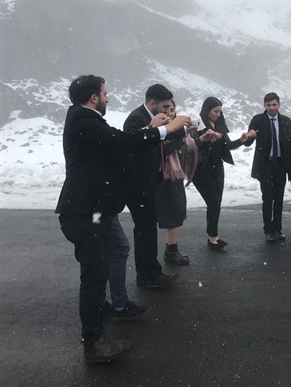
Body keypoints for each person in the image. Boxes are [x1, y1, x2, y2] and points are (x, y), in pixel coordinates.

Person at [56, 75, 190, 364]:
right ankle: (93, 341)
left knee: (118, 249)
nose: (108, 98)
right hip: (85, 211)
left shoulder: (88, 119)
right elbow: (121, 141)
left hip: (99, 208)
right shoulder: (83, 119)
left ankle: (116, 305)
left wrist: (153, 130)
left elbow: (119, 146)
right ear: (94, 98)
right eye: (104, 93)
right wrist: (165, 130)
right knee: (94, 274)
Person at [123, 84, 188, 289]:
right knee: (145, 230)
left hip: (151, 180)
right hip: (138, 183)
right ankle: (147, 275)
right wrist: (156, 128)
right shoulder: (136, 119)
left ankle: (151, 272)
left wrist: (181, 128)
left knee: (149, 228)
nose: (168, 110)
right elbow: (135, 144)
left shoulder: (157, 118)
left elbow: (166, 138)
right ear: (152, 104)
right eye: (165, 106)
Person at [192, 96, 250, 250]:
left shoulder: (219, 125)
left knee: (216, 203)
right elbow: (193, 147)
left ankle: (213, 237)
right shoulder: (199, 126)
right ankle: (212, 237)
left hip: (217, 168)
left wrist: (241, 140)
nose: (218, 114)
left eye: (219, 111)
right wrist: (208, 141)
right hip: (201, 169)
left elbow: (227, 145)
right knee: (213, 202)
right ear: (207, 111)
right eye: (215, 111)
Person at [243, 92, 291, 244]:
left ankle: (277, 228)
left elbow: (290, 142)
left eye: (274, 104)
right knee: (267, 198)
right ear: (264, 105)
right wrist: (248, 136)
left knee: (279, 198)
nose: (271, 108)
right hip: (265, 166)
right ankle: (268, 229)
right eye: (268, 105)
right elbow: (248, 142)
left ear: (279, 105)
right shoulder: (258, 120)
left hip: (281, 164)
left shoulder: (285, 121)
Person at [155, 100, 198, 265]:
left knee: (177, 213)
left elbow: (188, 150)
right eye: (165, 110)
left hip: (176, 175)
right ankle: (170, 252)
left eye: (172, 109)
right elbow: (162, 151)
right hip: (164, 178)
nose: (170, 113)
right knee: (171, 215)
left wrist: (198, 138)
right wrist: (180, 136)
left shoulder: (179, 131)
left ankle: (172, 249)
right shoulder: (159, 131)